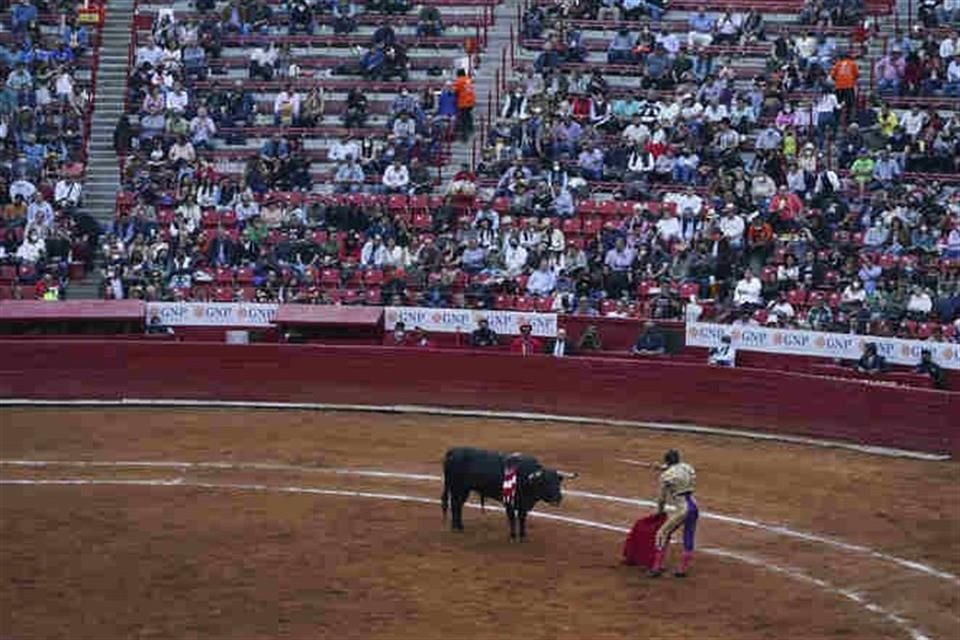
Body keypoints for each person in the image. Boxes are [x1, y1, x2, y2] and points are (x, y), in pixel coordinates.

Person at [649, 449, 699, 578]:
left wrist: (659, 512)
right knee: (689, 535)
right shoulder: (688, 467)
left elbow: (661, 499)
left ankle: (656, 567)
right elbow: (678, 471)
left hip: (682, 509)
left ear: (666, 461)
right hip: (694, 506)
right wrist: (663, 468)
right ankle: (682, 569)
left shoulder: (665, 476)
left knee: (662, 533)